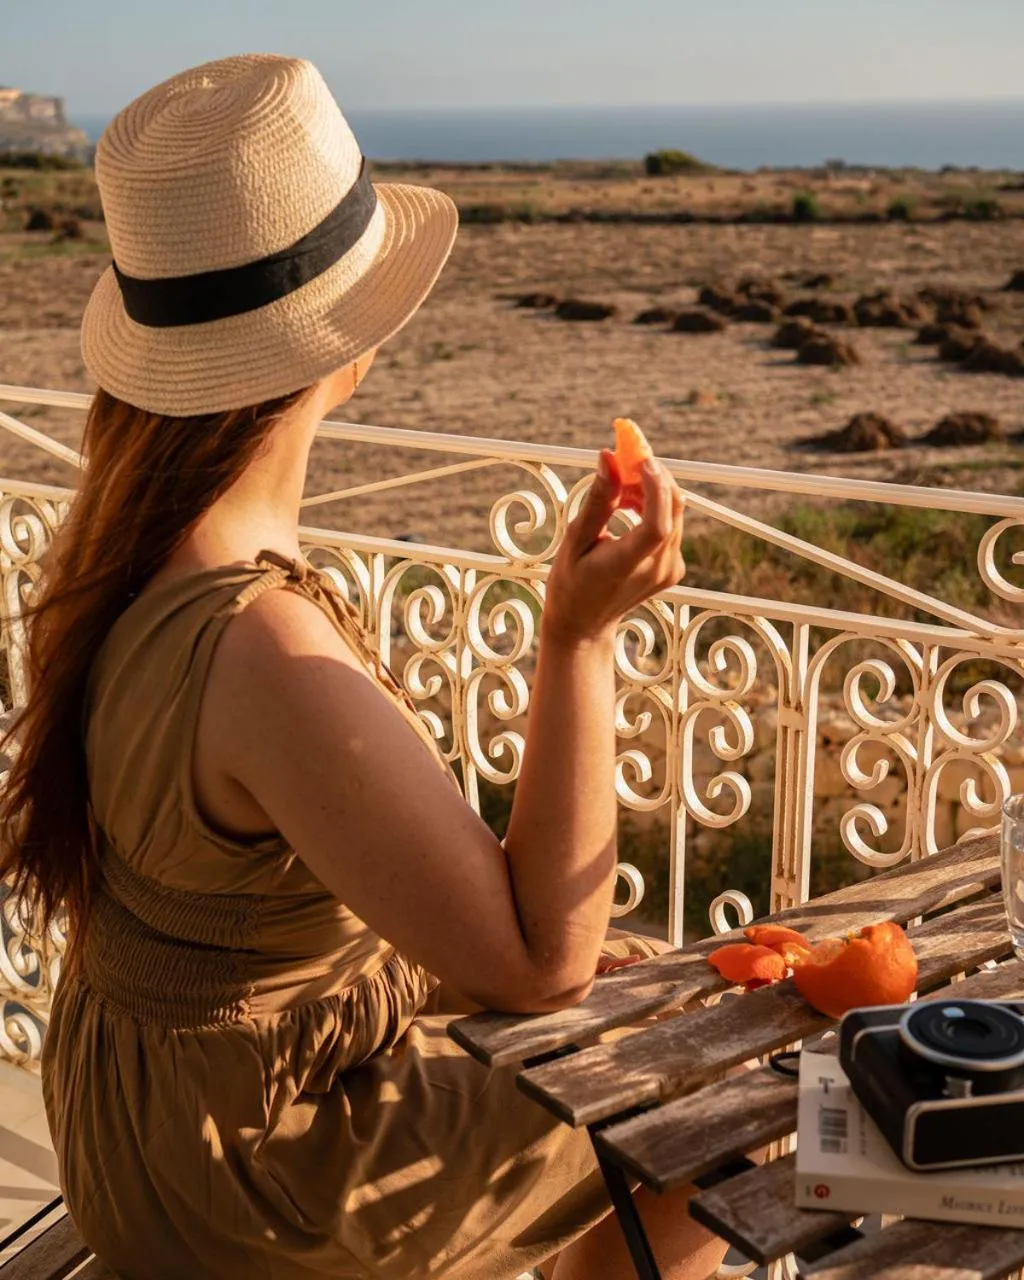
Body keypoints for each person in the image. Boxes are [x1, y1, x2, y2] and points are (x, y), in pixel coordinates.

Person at [0, 55, 725, 1280]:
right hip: (245, 1179)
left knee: (649, 983)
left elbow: (260, 931)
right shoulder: (263, 644)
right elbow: (538, 957)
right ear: (343, 341)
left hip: (145, 1121)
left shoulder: (121, 561)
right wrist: (578, 634)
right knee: (708, 1097)